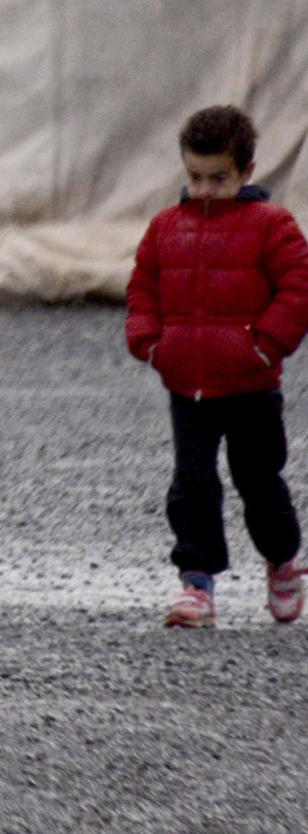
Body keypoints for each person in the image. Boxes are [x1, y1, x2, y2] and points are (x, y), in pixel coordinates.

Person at [124, 105, 308, 630]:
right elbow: (143, 288)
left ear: (247, 171)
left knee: (260, 481)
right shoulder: (166, 227)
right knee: (192, 484)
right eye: (195, 177)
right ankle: (197, 584)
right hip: (189, 385)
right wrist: (151, 343)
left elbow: (298, 289)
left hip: (252, 386)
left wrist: (265, 347)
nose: (204, 190)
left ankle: (281, 560)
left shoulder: (273, 226)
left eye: (218, 179)